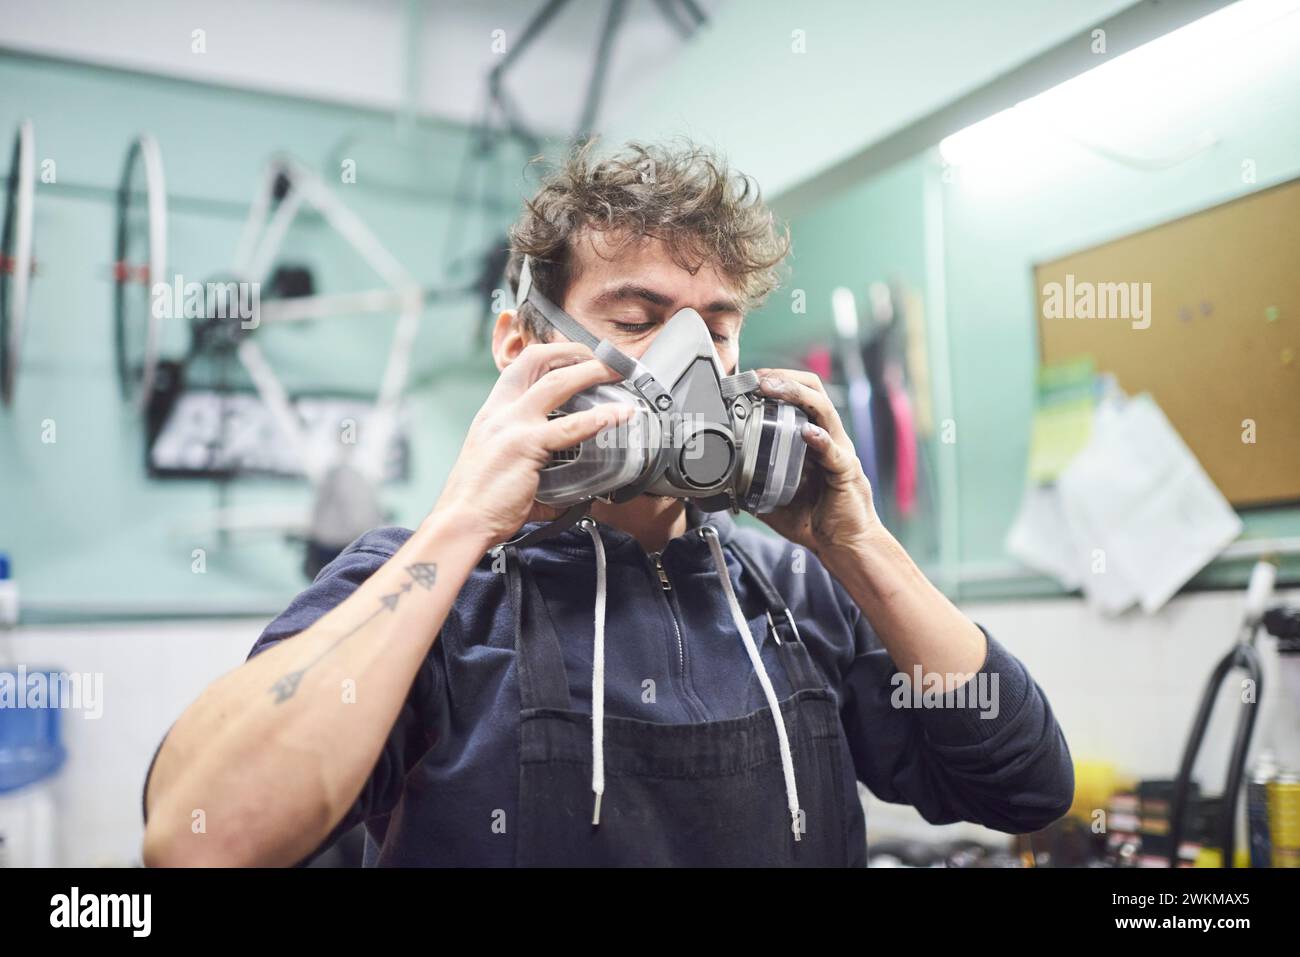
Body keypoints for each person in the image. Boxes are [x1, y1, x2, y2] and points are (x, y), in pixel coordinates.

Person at [141, 140, 1073, 867]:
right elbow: (203, 837)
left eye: (715, 330)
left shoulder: (798, 589)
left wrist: (860, 544)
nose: (689, 368)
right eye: (637, 321)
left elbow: (1030, 784)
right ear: (518, 343)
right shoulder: (426, 588)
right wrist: (462, 521)